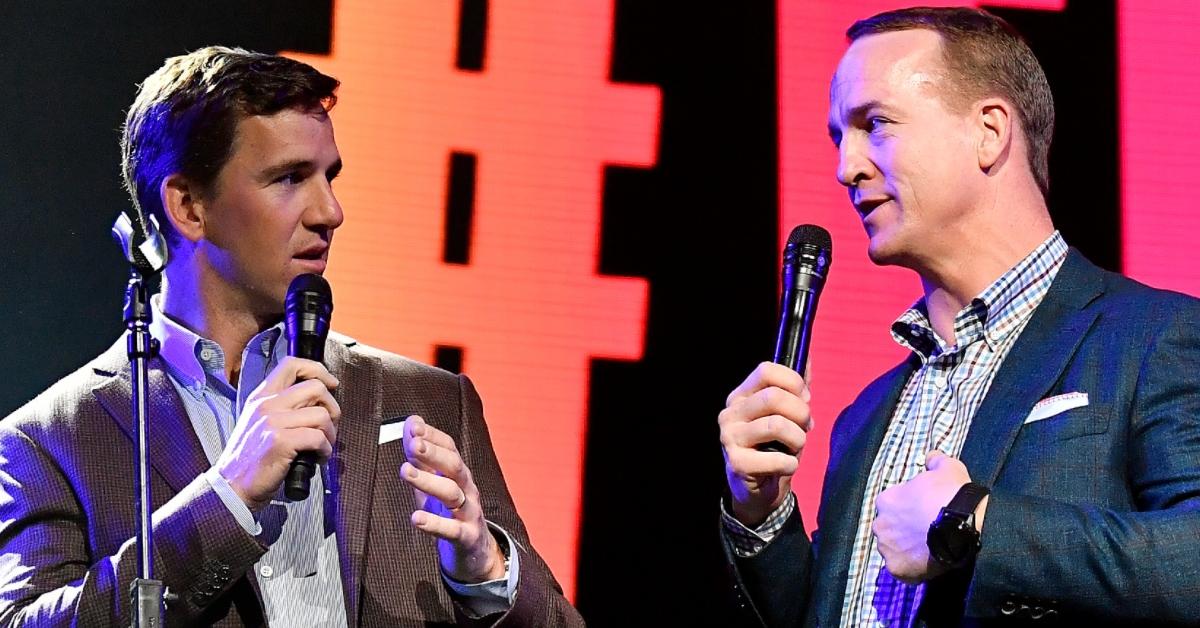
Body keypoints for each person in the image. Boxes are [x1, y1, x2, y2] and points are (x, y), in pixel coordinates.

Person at [0, 46, 583, 627]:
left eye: (329, 177)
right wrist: (227, 497)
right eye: (288, 179)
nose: (330, 211)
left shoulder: (431, 402)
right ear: (188, 207)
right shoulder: (49, 441)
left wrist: (485, 571)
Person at [719, 6, 1200, 625]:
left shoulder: (1151, 339)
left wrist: (972, 524)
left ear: (989, 132)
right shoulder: (864, 417)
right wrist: (761, 510)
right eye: (841, 138)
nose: (847, 168)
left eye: (876, 124)